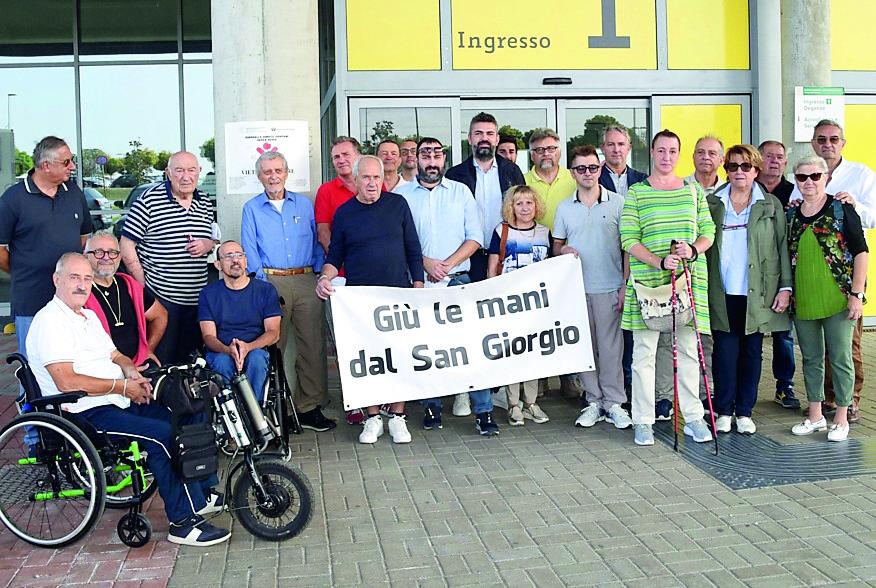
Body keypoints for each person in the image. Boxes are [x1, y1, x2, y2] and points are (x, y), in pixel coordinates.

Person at [27, 253, 229, 546]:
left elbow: (115, 355)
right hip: (85, 412)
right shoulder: (50, 322)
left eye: (87, 278)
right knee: (162, 436)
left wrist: (131, 372)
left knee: (190, 410)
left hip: (116, 399)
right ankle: (183, 523)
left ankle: (202, 494)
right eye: (74, 278)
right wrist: (121, 387)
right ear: (56, 280)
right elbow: (66, 381)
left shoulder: (88, 315)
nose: (82, 285)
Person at [315, 155, 424, 445]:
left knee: (400, 355)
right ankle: (373, 416)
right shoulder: (345, 213)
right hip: (361, 302)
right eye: (366, 177)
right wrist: (324, 278)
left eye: (377, 177)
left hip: (397, 294)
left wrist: (418, 284)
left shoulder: (397, 205)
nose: (372, 183)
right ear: (356, 180)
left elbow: (412, 247)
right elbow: (334, 256)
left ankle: (398, 417)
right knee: (367, 359)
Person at [396, 138, 499, 436]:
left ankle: (484, 411)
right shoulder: (401, 196)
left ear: (444, 159)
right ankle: (432, 406)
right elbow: (397, 240)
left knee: (470, 348)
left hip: (458, 280)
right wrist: (426, 263)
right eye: (425, 154)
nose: (431, 160)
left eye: (437, 155)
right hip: (420, 284)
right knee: (428, 350)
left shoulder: (461, 192)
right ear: (415, 158)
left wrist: (448, 265)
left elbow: (475, 237)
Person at [621, 129, 715, 447]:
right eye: (661, 151)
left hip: (687, 283)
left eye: (672, 151)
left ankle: (693, 417)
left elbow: (708, 231)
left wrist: (693, 249)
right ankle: (643, 420)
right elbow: (629, 238)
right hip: (649, 285)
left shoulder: (693, 192)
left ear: (679, 154)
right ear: (652, 152)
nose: (666, 157)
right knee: (644, 354)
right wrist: (658, 262)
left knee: (689, 351)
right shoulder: (637, 193)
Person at [240, 151, 335, 431]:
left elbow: (318, 241)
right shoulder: (252, 208)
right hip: (271, 282)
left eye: (278, 170)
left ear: (286, 172)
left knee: (312, 345)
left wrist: (319, 271)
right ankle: (274, 410)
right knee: (272, 348)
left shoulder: (304, 205)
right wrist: (260, 285)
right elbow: (250, 248)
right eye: (267, 172)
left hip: (306, 279)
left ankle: (309, 407)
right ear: (259, 176)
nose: (273, 176)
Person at [790, 120, 876, 423]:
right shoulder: (795, 204)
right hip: (808, 290)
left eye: (834, 139)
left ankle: (847, 403)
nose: (828, 144)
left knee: (846, 349)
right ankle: (821, 405)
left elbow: (868, 230)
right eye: (821, 139)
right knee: (814, 354)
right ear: (813, 143)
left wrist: (854, 205)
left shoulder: (861, 175)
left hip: (843, 284)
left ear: (843, 142)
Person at [705, 145, 791, 436]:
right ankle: (723, 410)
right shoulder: (711, 203)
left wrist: (785, 288)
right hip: (722, 290)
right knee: (725, 354)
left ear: (756, 170)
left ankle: (744, 411)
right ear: (725, 170)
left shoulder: (770, 205)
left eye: (745, 166)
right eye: (732, 166)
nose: (739, 172)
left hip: (758, 291)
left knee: (752, 352)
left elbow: (782, 248)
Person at [554, 145, 630, 430]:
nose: (588, 173)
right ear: (572, 173)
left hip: (610, 285)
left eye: (593, 167)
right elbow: (557, 245)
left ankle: (614, 402)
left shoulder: (618, 203)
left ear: (600, 169)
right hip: (576, 289)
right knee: (585, 348)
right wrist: (563, 251)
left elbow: (627, 248)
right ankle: (593, 401)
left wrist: (625, 284)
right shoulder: (564, 208)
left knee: (611, 349)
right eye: (581, 168)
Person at [0, 136, 93, 360]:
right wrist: (21, 270)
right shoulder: (14, 198)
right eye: (66, 162)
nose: (72, 166)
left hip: (73, 298)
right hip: (32, 298)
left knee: (75, 358)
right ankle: (31, 397)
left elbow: (83, 237)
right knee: (34, 362)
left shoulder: (73, 192)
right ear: (45, 165)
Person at [120, 151, 217, 365]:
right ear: (168, 173)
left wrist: (208, 244)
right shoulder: (149, 200)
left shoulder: (205, 203)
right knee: (161, 362)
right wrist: (142, 286)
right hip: (162, 298)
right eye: (179, 170)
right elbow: (126, 244)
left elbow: (213, 239)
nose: (186, 177)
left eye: (191, 170)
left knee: (191, 362)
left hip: (197, 299)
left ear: (199, 172)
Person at [653, 136, 724, 419]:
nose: (706, 157)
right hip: (665, 273)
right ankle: (665, 398)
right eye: (701, 152)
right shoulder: (664, 188)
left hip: (698, 273)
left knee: (698, 338)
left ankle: (700, 395)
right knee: (665, 337)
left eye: (712, 153)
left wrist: (693, 249)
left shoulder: (701, 190)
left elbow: (708, 230)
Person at [486, 185, 552, 426]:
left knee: (533, 353)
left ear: (536, 206)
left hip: (536, 304)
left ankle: (531, 402)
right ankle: (513, 404)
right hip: (509, 303)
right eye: (519, 203)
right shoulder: (501, 231)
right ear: (510, 207)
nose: (524, 208)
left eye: (529, 203)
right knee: (513, 353)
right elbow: (492, 269)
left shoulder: (545, 232)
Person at [598, 124, 648, 401]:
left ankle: (632, 389)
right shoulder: (592, 178)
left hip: (639, 265)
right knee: (607, 334)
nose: (616, 150)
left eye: (621, 144)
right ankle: (610, 390)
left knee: (633, 332)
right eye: (610, 144)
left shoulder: (643, 180)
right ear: (603, 148)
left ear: (629, 148)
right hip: (605, 262)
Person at [199, 241, 282, 404]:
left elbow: (274, 333)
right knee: (222, 362)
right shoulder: (208, 294)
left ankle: (254, 413)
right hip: (221, 350)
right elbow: (208, 336)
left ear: (246, 261)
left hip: (255, 348)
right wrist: (228, 350)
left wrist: (248, 347)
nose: (235, 260)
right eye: (228, 256)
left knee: (256, 360)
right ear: (217, 264)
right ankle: (233, 414)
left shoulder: (265, 290)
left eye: (239, 255)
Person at [446, 112, 525, 282]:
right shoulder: (454, 175)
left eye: (489, 134)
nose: (484, 138)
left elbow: (523, 211)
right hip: (467, 258)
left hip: (506, 255)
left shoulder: (512, 171)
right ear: (469, 138)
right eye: (478, 133)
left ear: (497, 139)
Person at [756, 140, 799, 410]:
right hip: (754, 272)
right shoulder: (749, 189)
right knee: (753, 334)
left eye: (779, 157)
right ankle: (746, 388)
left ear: (785, 162)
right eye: (768, 156)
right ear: (759, 160)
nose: (774, 161)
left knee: (784, 334)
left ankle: (785, 386)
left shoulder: (795, 191)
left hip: (783, 271)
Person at [84, 231, 167, 366]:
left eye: (112, 252)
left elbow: (160, 315)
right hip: (101, 369)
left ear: (119, 256)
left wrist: (148, 349)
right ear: (85, 256)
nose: (106, 258)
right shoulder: (80, 291)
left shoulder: (129, 285)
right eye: (98, 252)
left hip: (139, 363)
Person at [315, 136, 361, 255]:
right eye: (336, 157)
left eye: (346, 154)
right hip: (341, 268)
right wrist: (338, 261)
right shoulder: (326, 190)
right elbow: (323, 232)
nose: (341, 160)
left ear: (358, 156)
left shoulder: (375, 185)